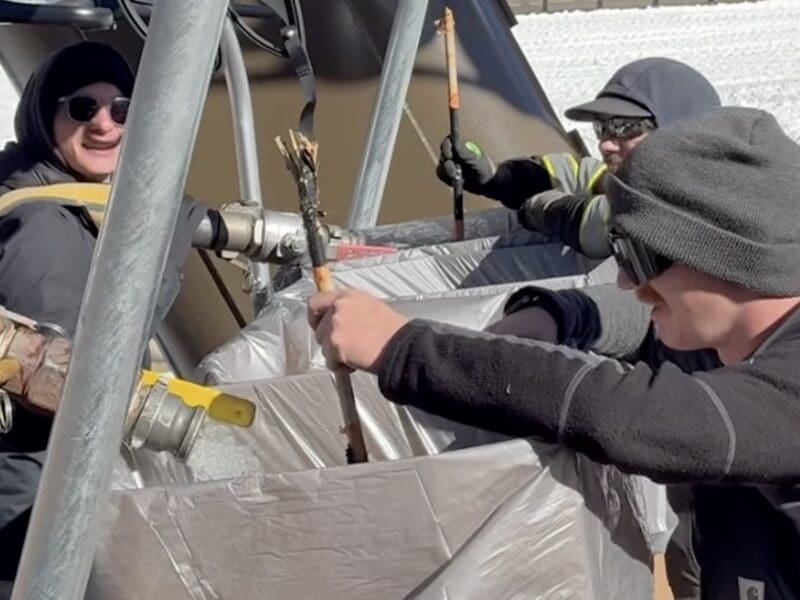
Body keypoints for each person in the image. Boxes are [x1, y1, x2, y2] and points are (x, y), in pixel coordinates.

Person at [310, 107, 800, 597]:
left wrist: (404, 349)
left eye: (638, 255)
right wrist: (556, 316)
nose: (628, 281)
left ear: (729, 254)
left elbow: (636, 414)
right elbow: (641, 325)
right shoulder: (739, 340)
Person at [0, 41, 206, 587]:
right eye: (82, 108)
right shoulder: (38, 219)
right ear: (47, 117)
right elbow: (72, 375)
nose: (105, 125)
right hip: (27, 496)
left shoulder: (67, 198)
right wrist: (162, 240)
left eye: (122, 109)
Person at [437, 57, 720, 259]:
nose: (606, 144)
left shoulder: (704, 198)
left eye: (625, 127)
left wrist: (542, 209)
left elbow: (610, 222)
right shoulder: (641, 175)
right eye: (602, 128)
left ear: (680, 133)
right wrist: (499, 178)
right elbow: (588, 176)